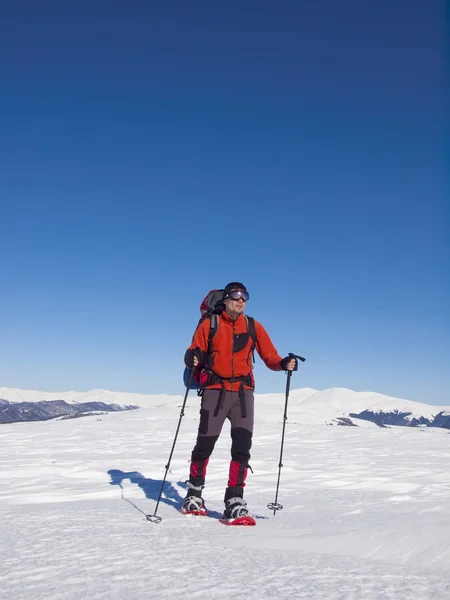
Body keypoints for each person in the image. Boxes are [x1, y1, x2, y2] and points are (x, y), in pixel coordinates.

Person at [183, 282, 297, 520]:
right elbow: (194, 350)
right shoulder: (209, 324)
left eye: (244, 296)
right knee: (205, 444)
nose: (241, 299)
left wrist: (284, 363)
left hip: (243, 394)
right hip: (216, 391)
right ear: (225, 299)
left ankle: (234, 499)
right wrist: (192, 357)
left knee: (242, 447)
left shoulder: (253, 326)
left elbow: (270, 357)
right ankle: (194, 493)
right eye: (236, 295)